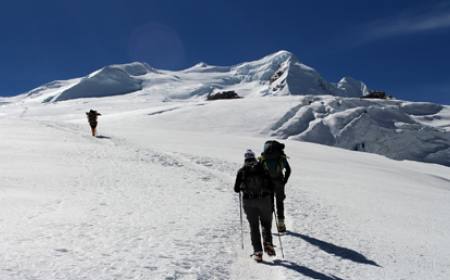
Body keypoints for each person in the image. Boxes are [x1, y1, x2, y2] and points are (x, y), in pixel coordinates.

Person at [234, 149, 275, 262]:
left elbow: (236, 189)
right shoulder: (263, 169)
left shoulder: (242, 171)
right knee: (266, 223)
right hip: (264, 200)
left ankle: (258, 252)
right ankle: (268, 243)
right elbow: (272, 186)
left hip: (249, 202)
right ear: (254, 157)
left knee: (254, 226)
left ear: (245, 158)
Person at [260, 140, 291, 233]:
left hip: (267, 183)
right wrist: (284, 181)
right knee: (279, 203)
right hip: (279, 183)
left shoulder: (264, 157)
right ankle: (281, 226)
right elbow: (288, 170)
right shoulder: (281, 157)